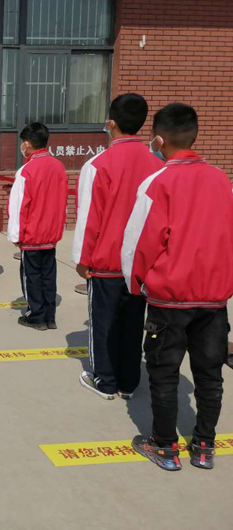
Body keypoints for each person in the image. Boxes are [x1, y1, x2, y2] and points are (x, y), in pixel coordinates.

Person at [122, 103, 233, 472]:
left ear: (158, 139)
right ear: (195, 135)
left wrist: (135, 283)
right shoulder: (222, 181)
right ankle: (203, 446)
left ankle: (164, 445)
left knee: (164, 373)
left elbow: (141, 242)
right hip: (214, 298)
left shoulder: (159, 182)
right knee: (209, 375)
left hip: (170, 299)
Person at [72, 94, 163, 401]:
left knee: (103, 324)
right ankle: (129, 381)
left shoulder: (98, 165)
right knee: (132, 323)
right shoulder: (157, 166)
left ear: (110, 123)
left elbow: (88, 218)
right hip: (140, 265)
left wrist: (82, 259)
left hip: (106, 261)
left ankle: (105, 380)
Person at [7, 122, 68, 330]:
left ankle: (36, 315)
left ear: (27, 144)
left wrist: (15, 235)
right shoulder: (59, 167)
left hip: (32, 233)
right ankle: (50, 316)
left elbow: (18, 206)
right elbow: (63, 202)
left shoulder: (27, 170)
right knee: (48, 276)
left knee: (31, 276)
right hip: (51, 234)